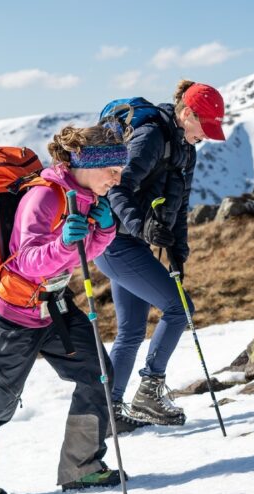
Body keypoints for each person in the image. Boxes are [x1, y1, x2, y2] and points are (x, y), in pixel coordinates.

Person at [0, 123, 128, 494]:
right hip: (12, 318)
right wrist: (63, 242)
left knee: (98, 376)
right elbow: (27, 261)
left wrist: (102, 232)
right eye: (113, 170)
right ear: (90, 163)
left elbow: (80, 256)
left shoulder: (84, 194)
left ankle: (82, 468)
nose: (117, 179)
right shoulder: (44, 196)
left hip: (55, 309)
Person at [94, 81, 226, 431]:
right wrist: (142, 228)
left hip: (133, 243)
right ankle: (149, 392)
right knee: (180, 308)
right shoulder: (151, 136)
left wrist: (178, 252)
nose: (208, 136)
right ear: (187, 114)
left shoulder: (187, 150)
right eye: (206, 127)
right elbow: (115, 188)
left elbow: (179, 207)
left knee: (132, 330)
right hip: (115, 243)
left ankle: (110, 411)